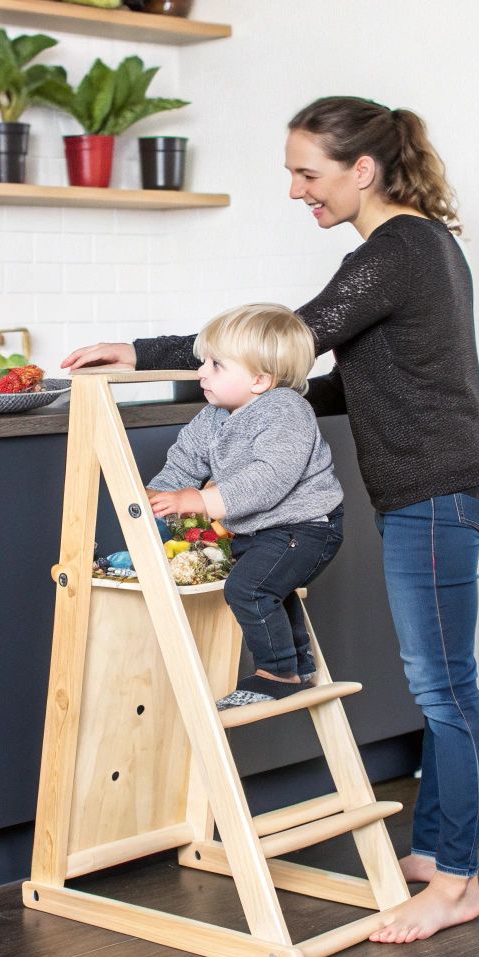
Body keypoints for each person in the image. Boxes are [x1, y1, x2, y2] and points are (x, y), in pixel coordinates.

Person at [64, 96, 479, 945]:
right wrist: (265, 401)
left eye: (309, 173)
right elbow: (346, 383)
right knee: (445, 689)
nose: (299, 190)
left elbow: (289, 341)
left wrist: (148, 351)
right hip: (448, 489)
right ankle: (439, 853)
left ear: (362, 170)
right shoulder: (422, 248)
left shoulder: (398, 248)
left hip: (440, 493)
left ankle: (456, 884)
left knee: (445, 693)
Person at [143, 303, 346, 709]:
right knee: (271, 586)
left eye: (216, 365)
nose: (201, 372)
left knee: (249, 587)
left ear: (260, 379)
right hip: (265, 530)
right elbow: (185, 461)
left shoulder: (286, 412)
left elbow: (268, 478)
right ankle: (300, 664)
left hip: (306, 528)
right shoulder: (214, 416)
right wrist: (157, 494)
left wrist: (200, 500)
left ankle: (279, 673)